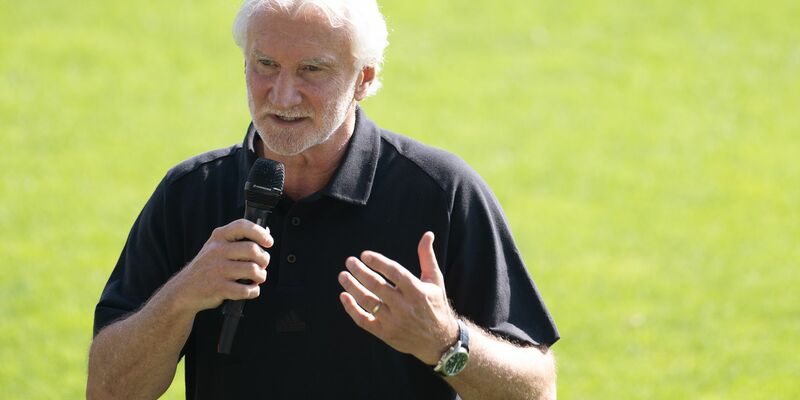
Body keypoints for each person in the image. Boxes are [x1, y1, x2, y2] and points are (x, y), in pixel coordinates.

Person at [87, 0, 559, 399]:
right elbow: (106, 391)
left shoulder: (442, 192)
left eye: (311, 69)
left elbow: (537, 391)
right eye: (265, 64)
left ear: (364, 79)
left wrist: (445, 342)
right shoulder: (188, 193)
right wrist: (181, 297)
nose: (282, 94)